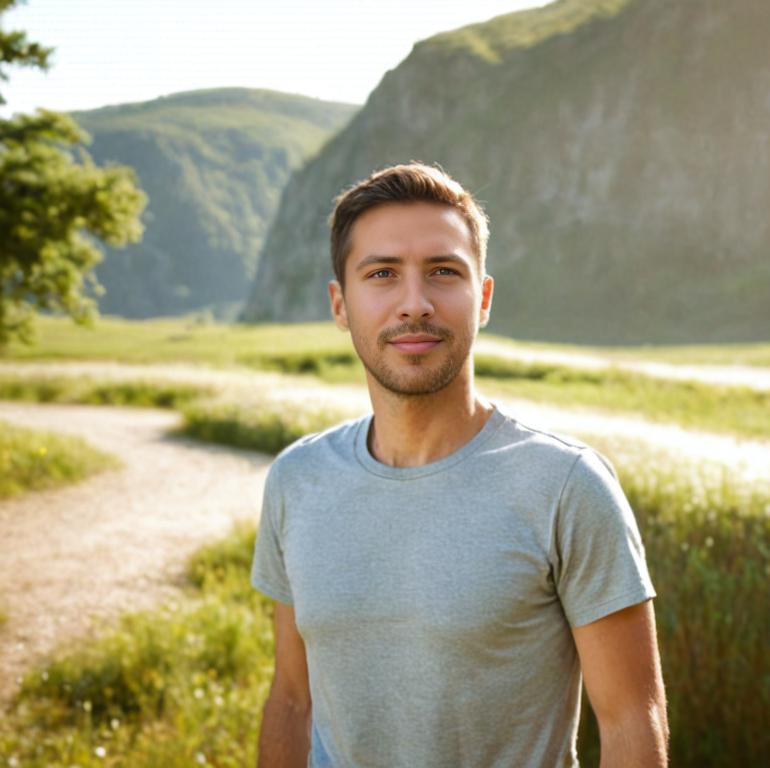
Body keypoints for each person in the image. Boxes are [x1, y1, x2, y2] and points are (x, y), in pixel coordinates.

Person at [251, 162, 669, 767]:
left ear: (484, 298)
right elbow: (292, 701)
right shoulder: (297, 479)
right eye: (383, 274)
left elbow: (633, 719)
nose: (414, 303)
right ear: (341, 304)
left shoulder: (566, 486)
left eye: (443, 272)